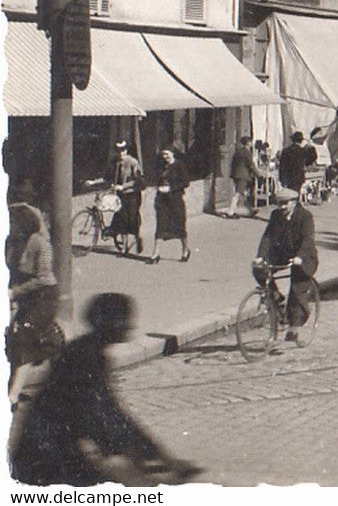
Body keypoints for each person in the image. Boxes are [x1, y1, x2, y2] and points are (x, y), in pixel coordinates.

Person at [11, 293, 197, 486]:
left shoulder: (87, 350)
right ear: (112, 323)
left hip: (52, 448)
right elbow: (102, 415)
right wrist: (149, 456)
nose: (130, 325)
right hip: (47, 456)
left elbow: (111, 414)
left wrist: (155, 455)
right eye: (125, 319)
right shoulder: (87, 357)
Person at [6, 199, 60, 408]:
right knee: (17, 340)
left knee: (24, 339)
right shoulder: (13, 241)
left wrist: (14, 293)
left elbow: (44, 278)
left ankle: (12, 397)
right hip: (23, 296)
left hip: (43, 298)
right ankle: (53, 349)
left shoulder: (40, 243)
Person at [252, 187, 318, 335]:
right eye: (279, 203)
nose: (281, 207)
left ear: (294, 202)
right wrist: (260, 256)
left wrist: (299, 257)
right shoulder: (276, 215)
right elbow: (268, 237)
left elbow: (307, 239)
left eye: (285, 203)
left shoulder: (305, 216)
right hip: (283, 253)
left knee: (297, 290)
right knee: (259, 269)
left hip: (304, 256)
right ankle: (276, 297)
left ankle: (294, 327)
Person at [150, 149, 191, 264]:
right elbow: (158, 180)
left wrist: (171, 188)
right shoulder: (162, 166)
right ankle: (155, 254)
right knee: (160, 225)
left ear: (173, 154)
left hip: (175, 200)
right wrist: (158, 188)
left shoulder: (179, 165)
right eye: (163, 154)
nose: (165, 156)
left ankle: (185, 249)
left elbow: (186, 182)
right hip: (162, 201)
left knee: (180, 226)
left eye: (167, 154)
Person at [104, 141, 144, 256]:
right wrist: (93, 182)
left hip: (132, 195)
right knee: (122, 219)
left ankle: (137, 238)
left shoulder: (132, 162)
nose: (121, 153)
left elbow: (138, 180)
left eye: (123, 150)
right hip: (120, 195)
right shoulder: (115, 162)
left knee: (132, 219)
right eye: (118, 150)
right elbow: (107, 176)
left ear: (127, 150)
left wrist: (123, 186)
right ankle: (124, 247)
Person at [225, 135, 261, 219]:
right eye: (251, 142)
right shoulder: (247, 152)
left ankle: (250, 210)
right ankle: (230, 212)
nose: (252, 144)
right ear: (248, 143)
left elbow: (233, 163)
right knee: (238, 193)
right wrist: (258, 174)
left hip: (236, 174)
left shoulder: (237, 151)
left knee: (244, 193)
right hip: (243, 175)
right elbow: (251, 165)